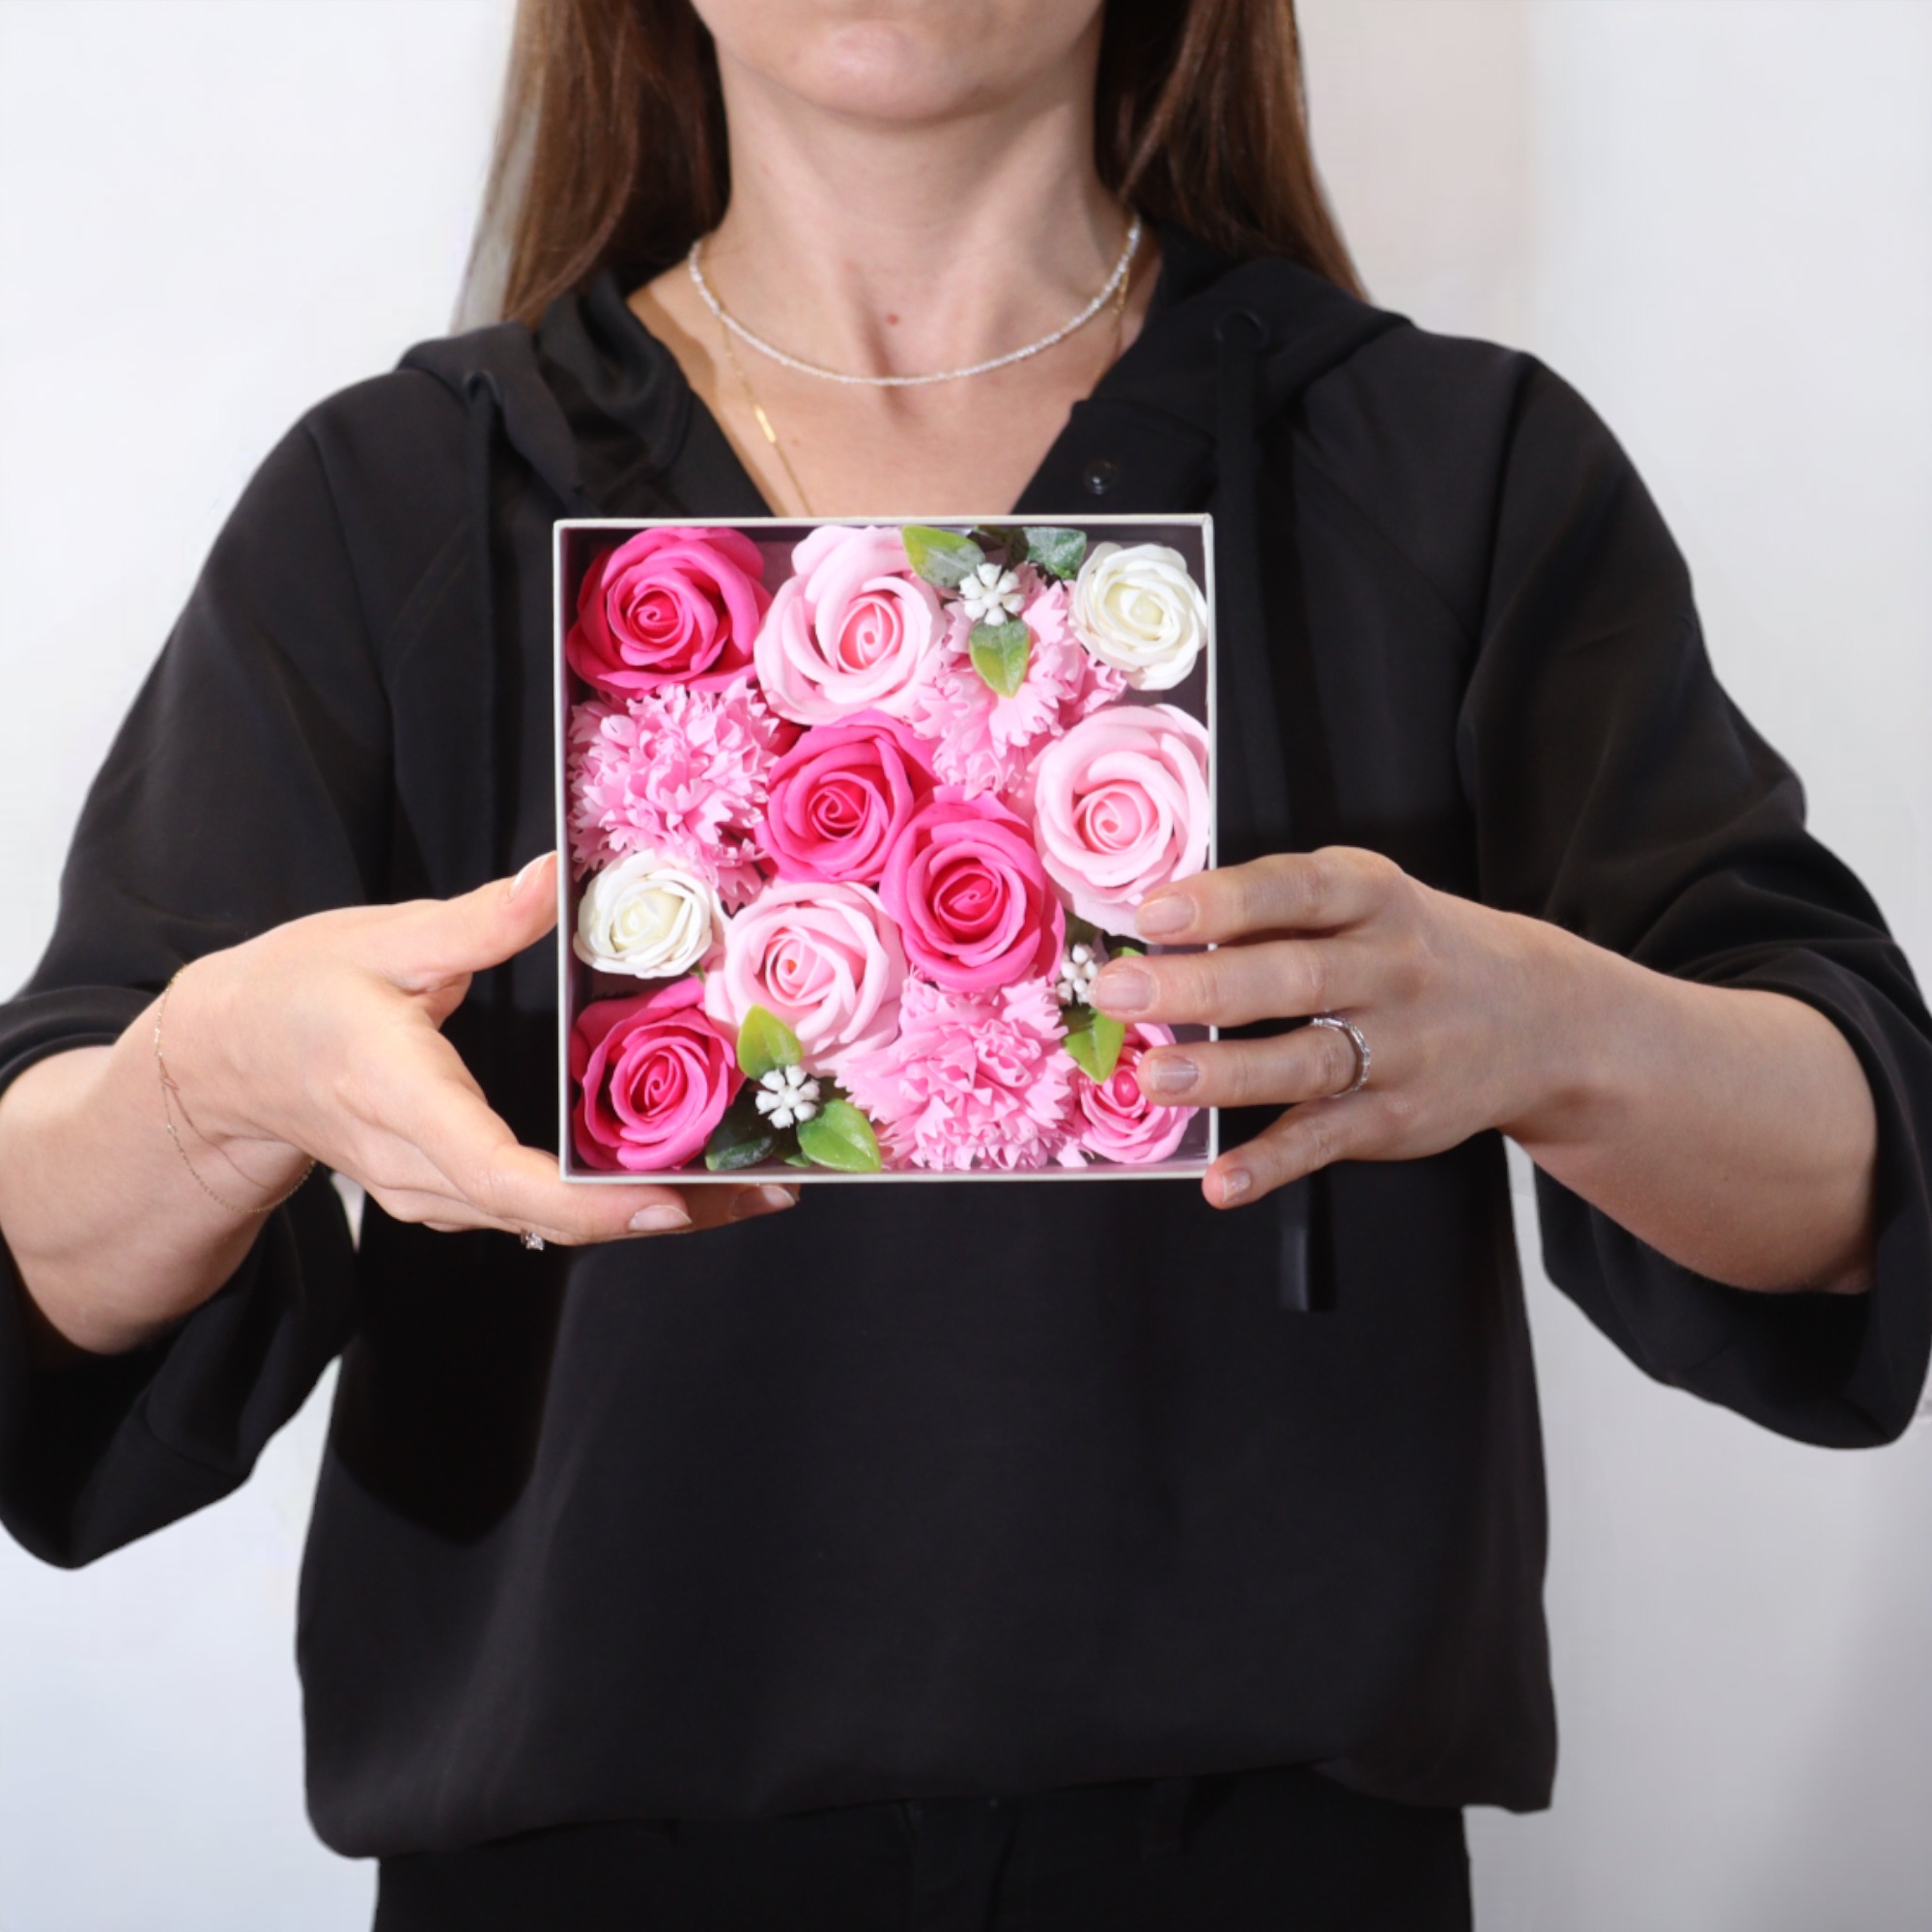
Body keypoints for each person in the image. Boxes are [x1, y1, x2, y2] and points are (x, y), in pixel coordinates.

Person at [0, 1, 1926, 1926]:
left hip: (1270, 1878)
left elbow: (1859, 1181)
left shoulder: (1448, 470)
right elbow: (43, 1250)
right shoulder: (398, 504)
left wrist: (1550, 1034)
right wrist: (214, 1087)